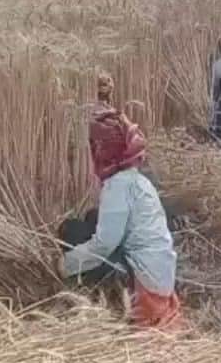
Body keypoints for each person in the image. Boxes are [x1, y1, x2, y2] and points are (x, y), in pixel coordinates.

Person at [60, 99, 183, 330]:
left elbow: (104, 245)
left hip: (144, 285)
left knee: (72, 231)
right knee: (93, 217)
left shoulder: (117, 186)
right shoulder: (138, 180)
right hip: (160, 274)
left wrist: (65, 264)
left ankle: (111, 302)